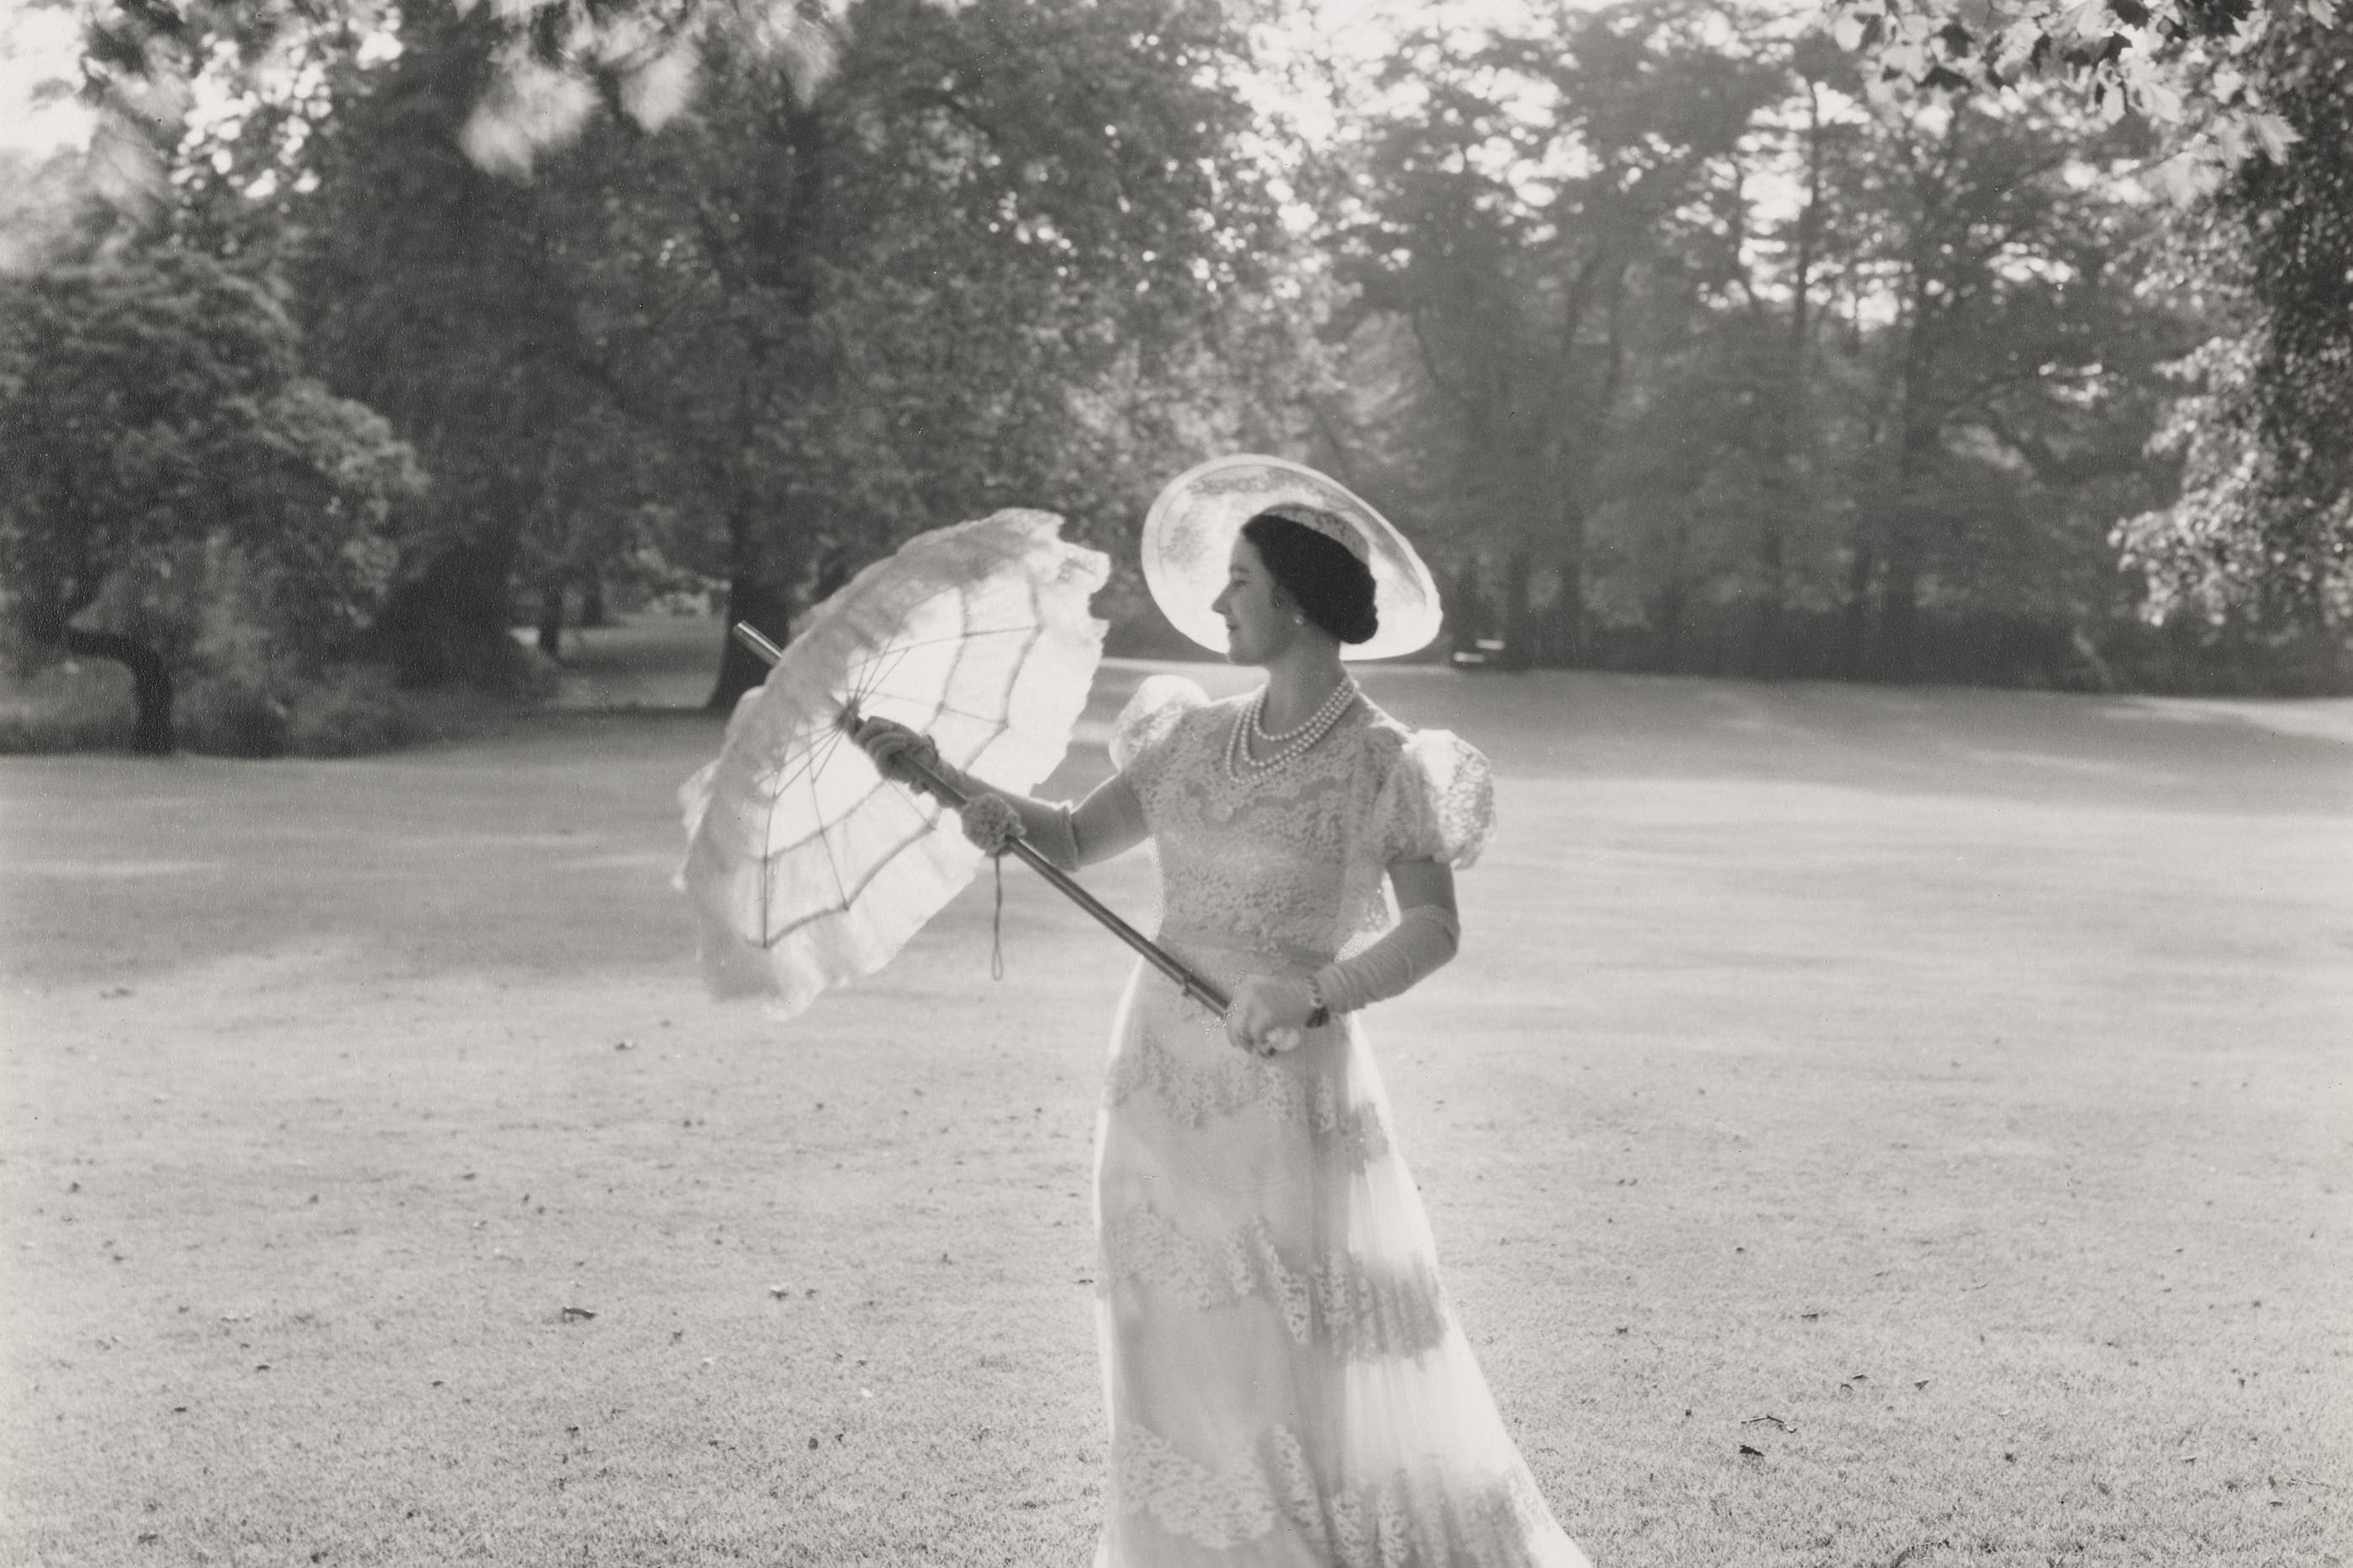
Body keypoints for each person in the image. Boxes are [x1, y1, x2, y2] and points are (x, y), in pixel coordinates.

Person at [858, 455, 1590, 1566]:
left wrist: (1314, 990)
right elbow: (1062, 837)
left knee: (1273, 1350)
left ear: (1292, 598)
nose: (1217, 603)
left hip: (1281, 1083)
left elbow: (1433, 927)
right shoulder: (1190, 738)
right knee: (1165, 1337)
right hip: (1152, 1081)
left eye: (1237, 582)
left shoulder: (1380, 763)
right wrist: (937, 776)